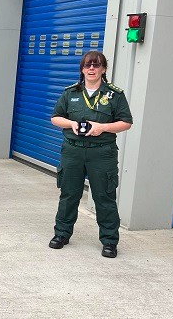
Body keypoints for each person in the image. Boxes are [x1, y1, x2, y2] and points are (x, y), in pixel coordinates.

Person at [48, 51, 133, 258]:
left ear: (104, 69)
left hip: (102, 153)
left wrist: (103, 127)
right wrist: (71, 124)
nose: (92, 69)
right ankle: (61, 234)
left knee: (104, 196)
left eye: (96, 65)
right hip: (73, 151)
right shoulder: (70, 93)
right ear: (82, 69)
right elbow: (55, 118)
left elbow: (126, 122)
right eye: (88, 65)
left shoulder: (114, 95)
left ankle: (110, 241)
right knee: (69, 194)